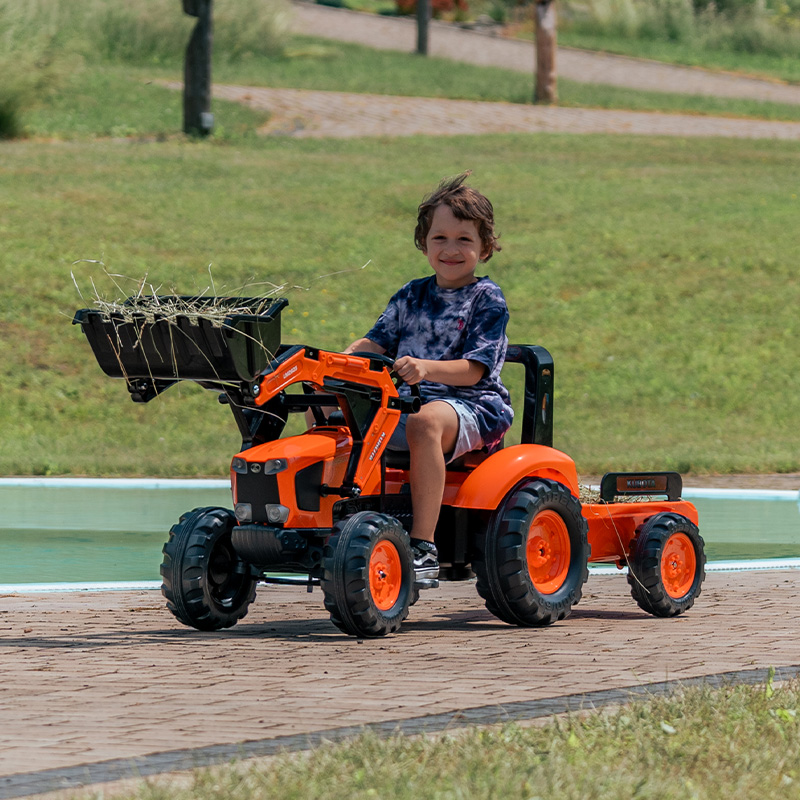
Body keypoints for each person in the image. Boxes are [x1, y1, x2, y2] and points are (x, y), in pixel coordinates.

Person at [344, 172, 513, 583]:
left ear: (485, 247)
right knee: (330, 407)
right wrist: (339, 361)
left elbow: (474, 371)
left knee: (425, 421)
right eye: (440, 238)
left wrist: (424, 367)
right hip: (407, 402)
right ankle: (336, 517)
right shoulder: (410, 295)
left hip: (472, 406)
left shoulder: (486, 298)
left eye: (464, 239)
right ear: (424, 242)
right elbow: (374, 343)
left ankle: (423, 546)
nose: (450, 249)